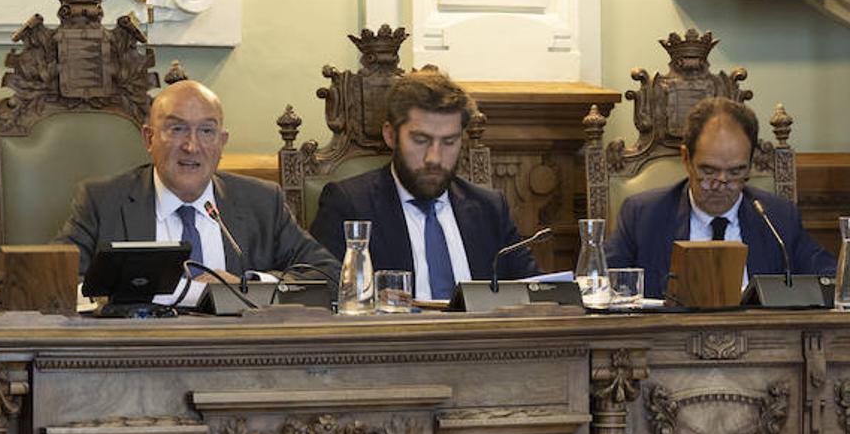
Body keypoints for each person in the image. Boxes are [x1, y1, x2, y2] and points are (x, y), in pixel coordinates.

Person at [55, 80, 338, 300]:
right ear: (148, 138)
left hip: (239, 361)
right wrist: (112, 293)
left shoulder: (262, 202)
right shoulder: (103, 202)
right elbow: (54, 284)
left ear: (221, 142)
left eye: (206, 131)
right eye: (177, 129)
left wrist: (245, 286)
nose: (192, 146)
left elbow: (328, 276)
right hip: (135, 360)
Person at [310, 70, 538, 300]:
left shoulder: (490, 208)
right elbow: (324, 299)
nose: (434, 158)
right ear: (390, 135)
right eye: (421, 140)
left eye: (449, 142)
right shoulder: (349, 205)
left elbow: (534, 294)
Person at [605, 96, 834, 299]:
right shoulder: (643, 215)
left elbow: (832, 280)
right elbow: (601, 285)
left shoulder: (777, 217)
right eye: (709, 171)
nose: (720, 185)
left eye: (735, 173)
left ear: (750, 164)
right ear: (686, 158)